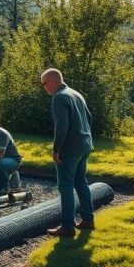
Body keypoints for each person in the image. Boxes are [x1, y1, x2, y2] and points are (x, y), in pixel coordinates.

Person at [40, 68, 95, 236]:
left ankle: (68, 227)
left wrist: (56, 149)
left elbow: (61, 127)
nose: (43, 87)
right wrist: (82, 137)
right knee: (81, 182)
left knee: (65, 186)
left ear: (53, 81)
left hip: (70, 149)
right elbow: (89, 118)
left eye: (44, 83)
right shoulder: (76, 94)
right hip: (85, 145)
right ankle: (88, 220)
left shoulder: (59, 97)